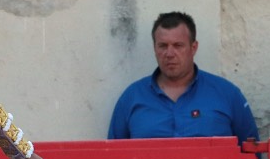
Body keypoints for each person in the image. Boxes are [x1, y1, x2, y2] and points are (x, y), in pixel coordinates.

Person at [108, 11, 259, 145]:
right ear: (154, 48)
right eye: (163, 46)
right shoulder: (132, 98)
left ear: (193, 48)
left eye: (178, 45)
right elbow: (112, 158)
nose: (169, 53)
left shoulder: (227, 95)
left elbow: (252, 154)